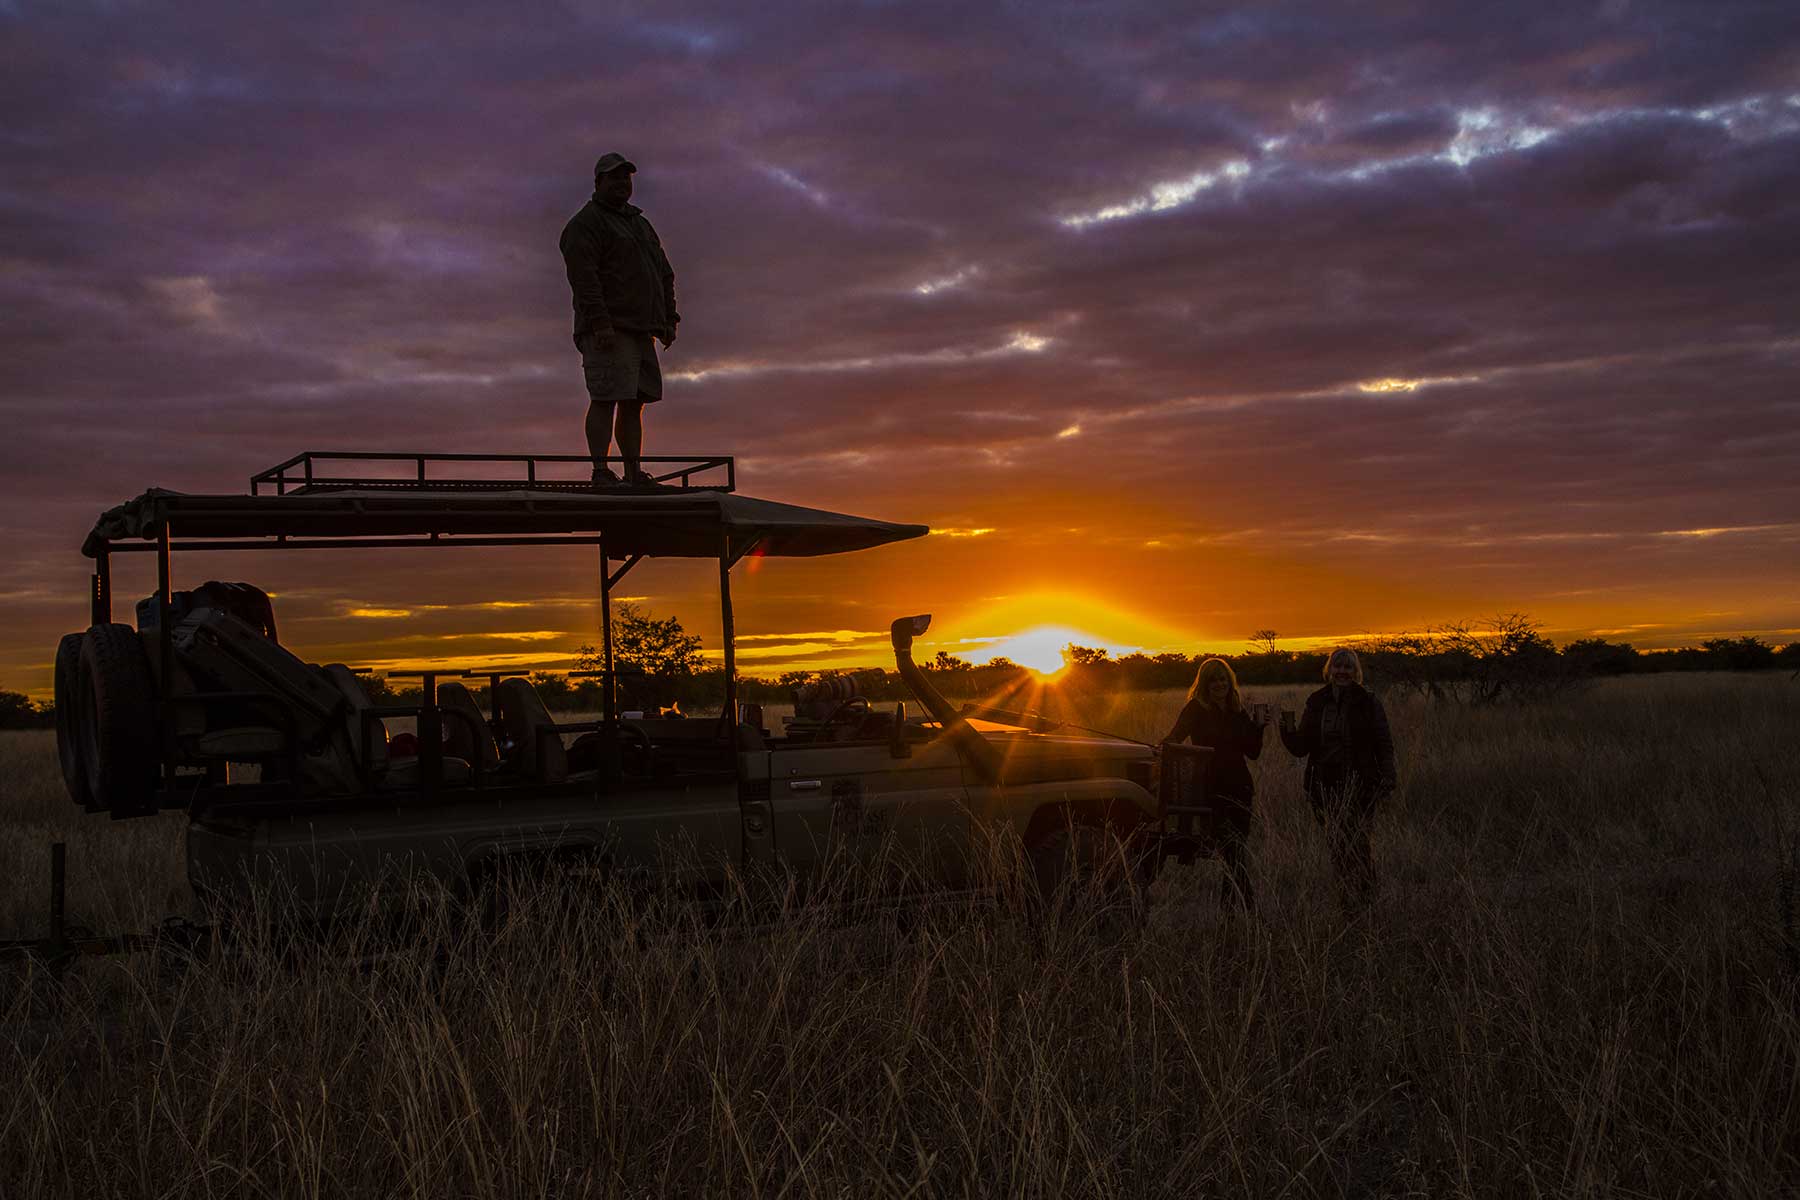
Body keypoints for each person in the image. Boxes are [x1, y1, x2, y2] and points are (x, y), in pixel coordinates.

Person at [559, 152, 680, 486]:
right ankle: (600, 470)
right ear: (598, 182)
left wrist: (669, 319)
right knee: (605, 397)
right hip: (609, 329)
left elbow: (664, 272)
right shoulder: (586, 223)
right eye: (614, 177)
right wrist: (600, 323)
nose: (622, 183)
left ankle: (632, 473)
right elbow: (584, 279)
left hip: (643, 329)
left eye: (626, 178)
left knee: (634, 403)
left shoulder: (640, 223)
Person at [1279, 647, 1396, 909]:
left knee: (1359, 845)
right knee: (1336, 846)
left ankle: (1367, 902)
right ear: (1329, 670)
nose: (1342, 672)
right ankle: (1346, 902)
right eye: (1337, 667)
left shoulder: (1368, 701)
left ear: (1356, 672)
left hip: (1361, 785)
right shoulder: (1317, 701)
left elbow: (1383, 743)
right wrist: (1285, 729)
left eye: (1348, 667)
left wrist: (1387, 778)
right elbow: (1301, 747)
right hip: (1324, 786)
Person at [1162, 657, 1270, 909]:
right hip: (1211, 789)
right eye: (1213, 680)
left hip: (1241, 787)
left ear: (1230, 681)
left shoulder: (1237, 710)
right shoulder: (1195, 709)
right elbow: (1174, 738)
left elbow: (1252, 752)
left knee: (1236, 852)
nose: (1219, 684)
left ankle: (1231, 915)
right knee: (1232, 851)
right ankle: (1250, 911)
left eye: (1223, 679)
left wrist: (1259, 728)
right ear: (1204, 684)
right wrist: (1163, 747)